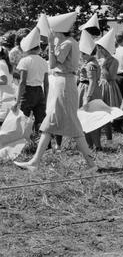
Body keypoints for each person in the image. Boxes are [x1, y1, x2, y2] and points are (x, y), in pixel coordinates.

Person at [16, 13, 94, 169]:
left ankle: (91, 163)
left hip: (63, 83)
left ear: (58, 29)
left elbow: (52, 64)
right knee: (50, 123)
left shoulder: (66, 44)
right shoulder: (70, 42)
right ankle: (35, 161)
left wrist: (51, 44)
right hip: (64, 82)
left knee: (66, 123)